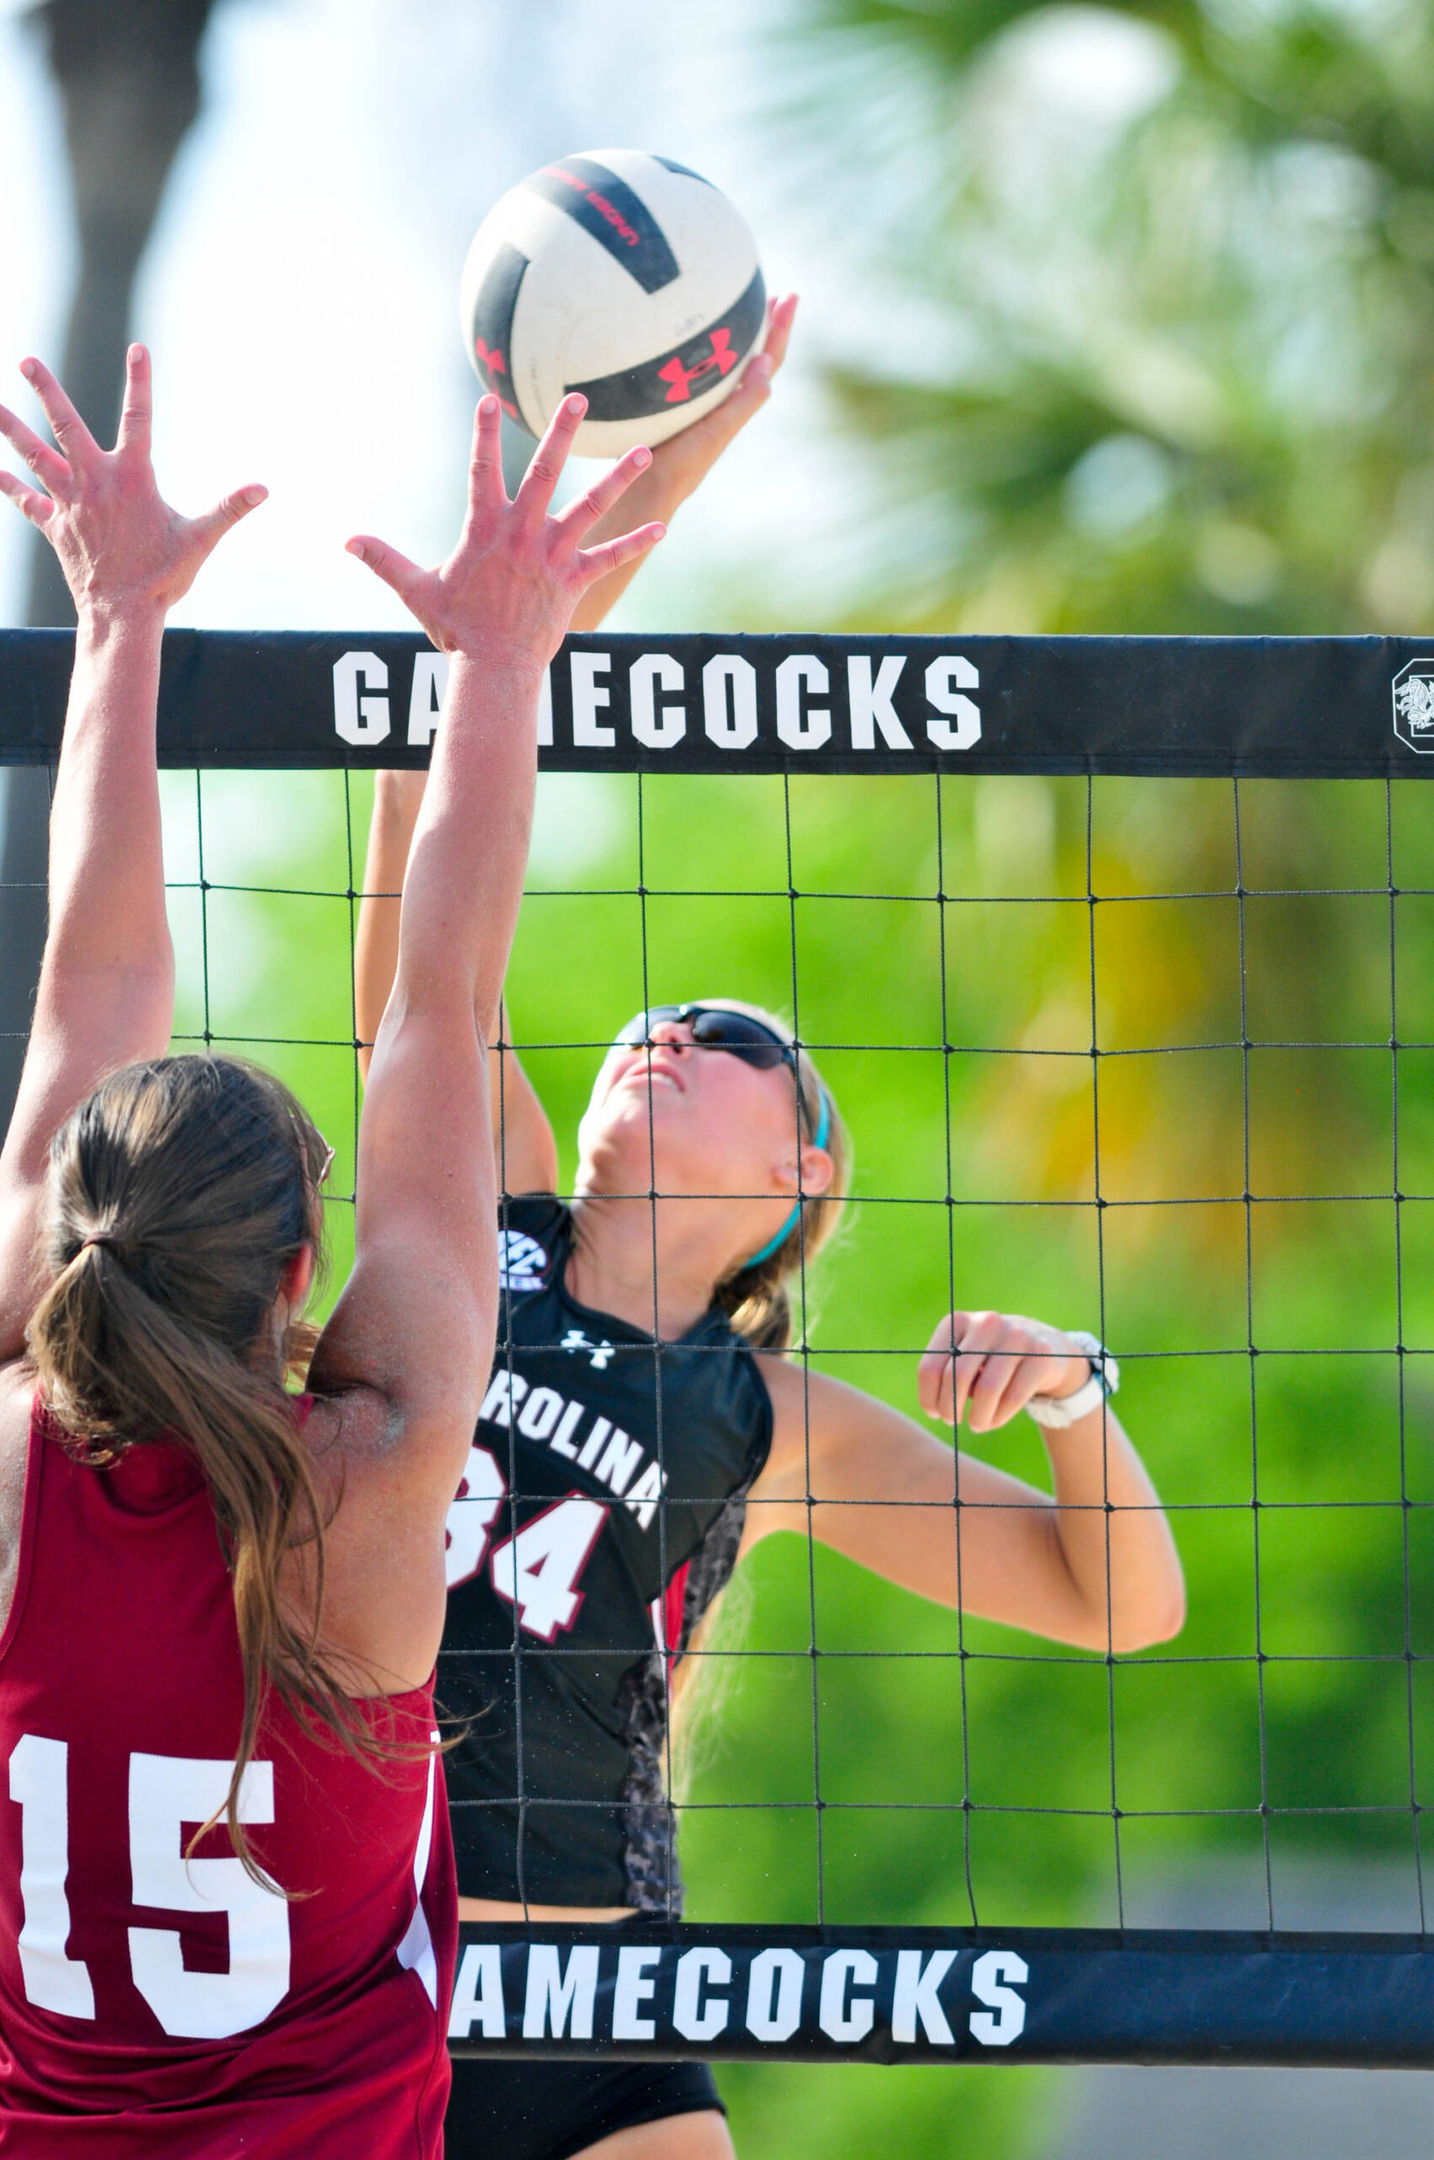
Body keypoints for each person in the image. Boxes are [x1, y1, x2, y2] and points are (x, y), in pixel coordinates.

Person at [354, 302, 1187, 2160]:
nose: (666, 1031)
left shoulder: (772, 1418)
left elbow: (1117, 1604)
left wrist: (1071, 1395)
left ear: (804, 1175)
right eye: (651, 1023)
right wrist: (612, 467)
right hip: (361, 1981)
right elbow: (440, 806)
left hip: (603, 2025)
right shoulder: (469, 1213)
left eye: (725, 1042)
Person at [0, 348, 662, 2153]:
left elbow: (90, 996)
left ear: (74, 1233)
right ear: (306, 1274)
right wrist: (503, 662)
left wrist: (118, 617)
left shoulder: (16, 1464)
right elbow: (435, 1014)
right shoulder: (366, 1483)